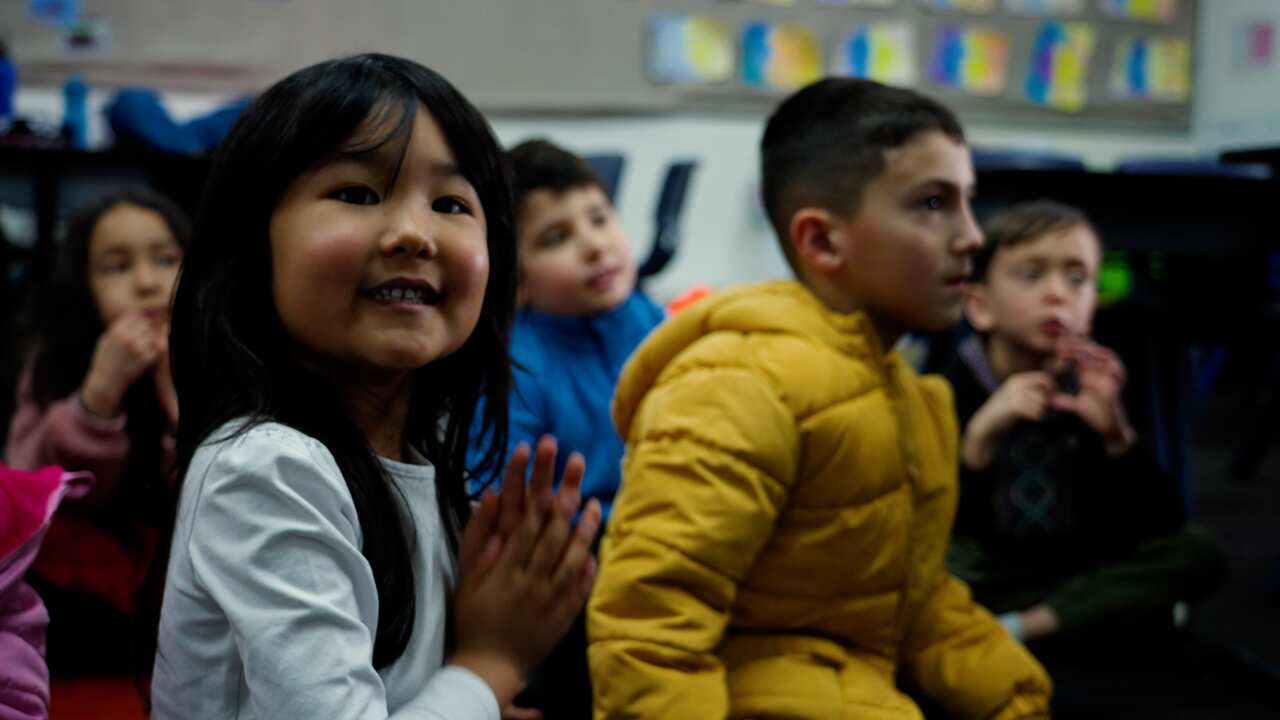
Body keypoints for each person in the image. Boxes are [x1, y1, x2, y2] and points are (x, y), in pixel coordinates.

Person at [146, 53, 600, 720]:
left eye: (451, 203)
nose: (414, 234)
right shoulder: (266, 467)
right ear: (253, 243)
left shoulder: (429, 448)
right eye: (358, 193)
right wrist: (489, 665)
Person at [586, 77, 1051, 719]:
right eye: (933, 204)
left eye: (969, 202)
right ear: (824, 241)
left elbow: (909, 598)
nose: (974, 237)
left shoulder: (912, 398)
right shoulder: (740, 386)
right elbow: (650, 627)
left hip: (854, 682)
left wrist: (1013, 695)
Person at [944, 199, 1224, 713]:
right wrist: (979, 440)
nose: (1058, 294)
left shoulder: (1098, 382)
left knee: (1197, 552)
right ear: (980, 305)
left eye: (1078, 280)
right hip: (989, 573)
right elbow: (941, 527)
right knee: (922, 574)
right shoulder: (950, 385)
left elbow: (1159, 523)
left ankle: (1021, 629)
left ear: (1093, 303)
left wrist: (1116, 434)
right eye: (1031, 275)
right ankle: (1084, 620)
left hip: (1072, 569)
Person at [470, 139, 663, 718]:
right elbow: (496, 498)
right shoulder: (519, 364)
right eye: (556, 238)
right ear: (517, 278)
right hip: (580, 560)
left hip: (661, 523)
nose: (594, 245)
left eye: (599, 219)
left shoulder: (644, 314)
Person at [5, 188, 187, 674]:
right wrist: (98, 396)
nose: (148, 283)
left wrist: (177, 402)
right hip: (74, 599)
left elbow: (218, 494)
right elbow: (26, 495)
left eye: (166, 259)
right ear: (83, 285)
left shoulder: (214, 351)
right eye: (117, 266)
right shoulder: (53, 353)